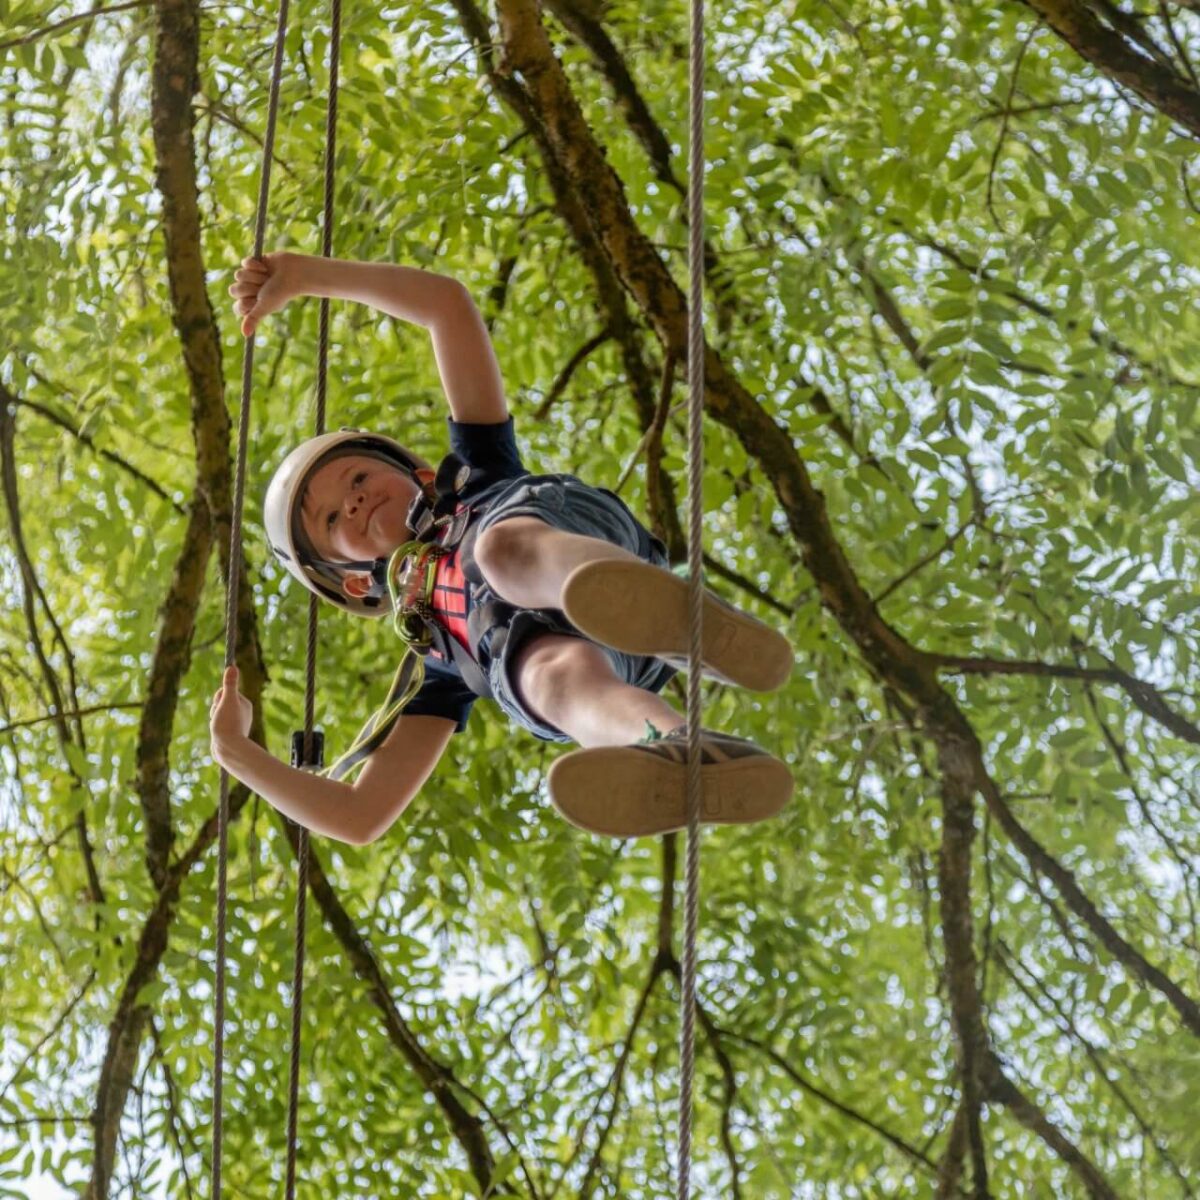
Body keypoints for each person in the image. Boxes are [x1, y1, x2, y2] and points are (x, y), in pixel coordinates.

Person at [208, 252, 794, 844]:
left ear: (414, 470)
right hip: (611, 657)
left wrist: (310, 276)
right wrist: (238, 754)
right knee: (549, 679)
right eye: (333, 519)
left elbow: (446, 308)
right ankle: (677, 748)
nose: (354, 503)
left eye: (357, 480)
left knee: (500, 553)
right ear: (356, 582)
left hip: (571, 540)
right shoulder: (442, 666)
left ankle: (664, 611)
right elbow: (359, 817)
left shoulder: (477, 469)